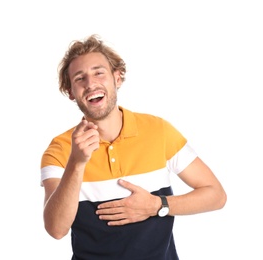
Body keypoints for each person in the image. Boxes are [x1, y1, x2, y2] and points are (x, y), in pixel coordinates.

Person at [40, 34, 227, 260]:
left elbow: (216, 195)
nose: (90, 83)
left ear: (117, 78)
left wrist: (158, 205)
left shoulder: (159, 131)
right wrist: (77, 163)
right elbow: (56, 229)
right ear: (71, 92)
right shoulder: (59, 149)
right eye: (80, 78)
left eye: (99, 72)